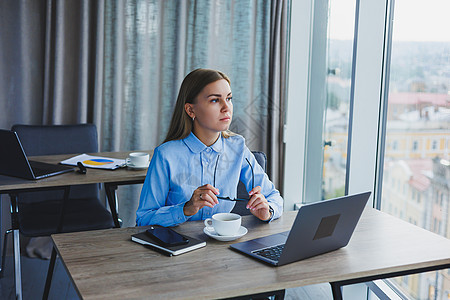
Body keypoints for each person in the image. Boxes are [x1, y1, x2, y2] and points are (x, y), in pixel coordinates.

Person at [136, 68, 283, 227]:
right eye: (215, 100)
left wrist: (267, 210)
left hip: (222, 246)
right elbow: (143, 219)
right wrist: (185, 209)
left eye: (229, 98)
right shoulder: (165, 155)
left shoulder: (237, 146)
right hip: (176, 247)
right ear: (191, 110)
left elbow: (274, 197)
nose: (226, 108)